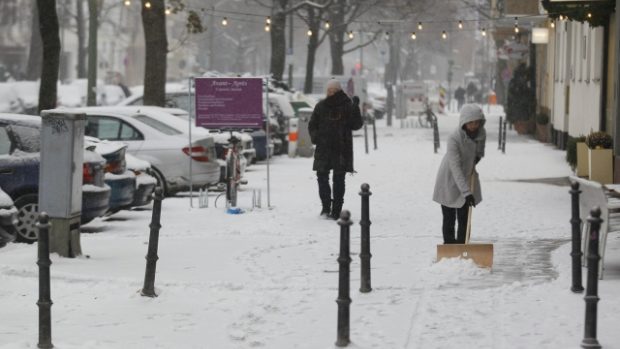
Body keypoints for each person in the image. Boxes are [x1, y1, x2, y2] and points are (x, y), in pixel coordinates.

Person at [308, 79, 364, 219]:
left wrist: (356, 108)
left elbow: (356, 125)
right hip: (324, 147)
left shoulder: (347, 105)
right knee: (322, 177)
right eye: (329, 91)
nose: (331, 93)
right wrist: (316, 137)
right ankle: (326, 207)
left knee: (338, 179)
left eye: (333, 90)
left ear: (339, 90)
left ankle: (336, 210)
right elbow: (312, 124)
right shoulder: (321, 106)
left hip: (341, 148)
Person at [432, 104, 486, 244]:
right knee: (449, 218)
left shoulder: (481, 134)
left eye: (477, 122)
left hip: (467, 177)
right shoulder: (454, 138)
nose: (474, 126)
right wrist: (467, 193)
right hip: (449, 179)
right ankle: (449, 249)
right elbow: (455, 167)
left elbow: (479, 152)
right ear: (464, 122)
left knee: (464, 219)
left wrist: (478, 156)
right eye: (471, 122)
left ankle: (462, 249)